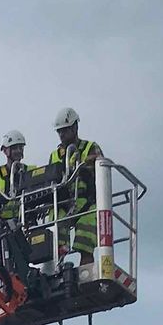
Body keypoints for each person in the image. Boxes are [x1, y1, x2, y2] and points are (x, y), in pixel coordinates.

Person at [0, 129, 39, 282]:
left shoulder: (30, 170)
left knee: (32, 254)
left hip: (27, 222)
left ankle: (30, 278)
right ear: (6, 151)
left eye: (20, 147)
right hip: (5, 226)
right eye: (15, 148)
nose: (18, 151)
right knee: (8, 261)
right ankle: (11, 283)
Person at [47, 106, 103, 265]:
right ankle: (58, 267)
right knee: (55, 236)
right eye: (59, 131)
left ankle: (85, 270)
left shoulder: (90, 147)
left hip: (86, 202)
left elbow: (101, 164)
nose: (61, 134)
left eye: (65, 130)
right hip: (62, 203)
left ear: (75, 127)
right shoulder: (54, 155)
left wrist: (88, 161)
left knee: (85, 242)